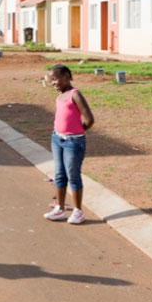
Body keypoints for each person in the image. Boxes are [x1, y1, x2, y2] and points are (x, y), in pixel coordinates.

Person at [44, 64, 94, 225]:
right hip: (57, 139)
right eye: (51, 80)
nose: (53, 83)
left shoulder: (75, 94)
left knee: (73, 175)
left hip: (73, 141)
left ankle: (78, 211)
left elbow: (89, 119)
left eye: (55, 79)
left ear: (66, 77)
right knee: (59, 175)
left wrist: (78, 132)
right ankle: (59, 208)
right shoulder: (60, 96)